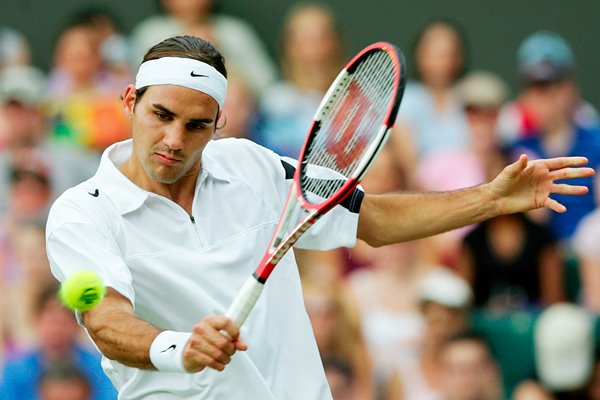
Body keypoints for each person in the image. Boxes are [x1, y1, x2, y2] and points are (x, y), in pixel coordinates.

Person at [44, 35, 594, 399]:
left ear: (218, 123)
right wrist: (178, 346)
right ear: (129, 101)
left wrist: (490, 200)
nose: (173, 140)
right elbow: (106, 322)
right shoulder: (80, 214)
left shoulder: (254, 167)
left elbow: (372, 219)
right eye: (160, 115)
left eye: (195, 125)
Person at [0, 282, 117, 399]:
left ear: (78, 324)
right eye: (51, 321)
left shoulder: (101, 368)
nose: (56, 329)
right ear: (36, 320)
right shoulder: (15, 371)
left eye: (63, 322)